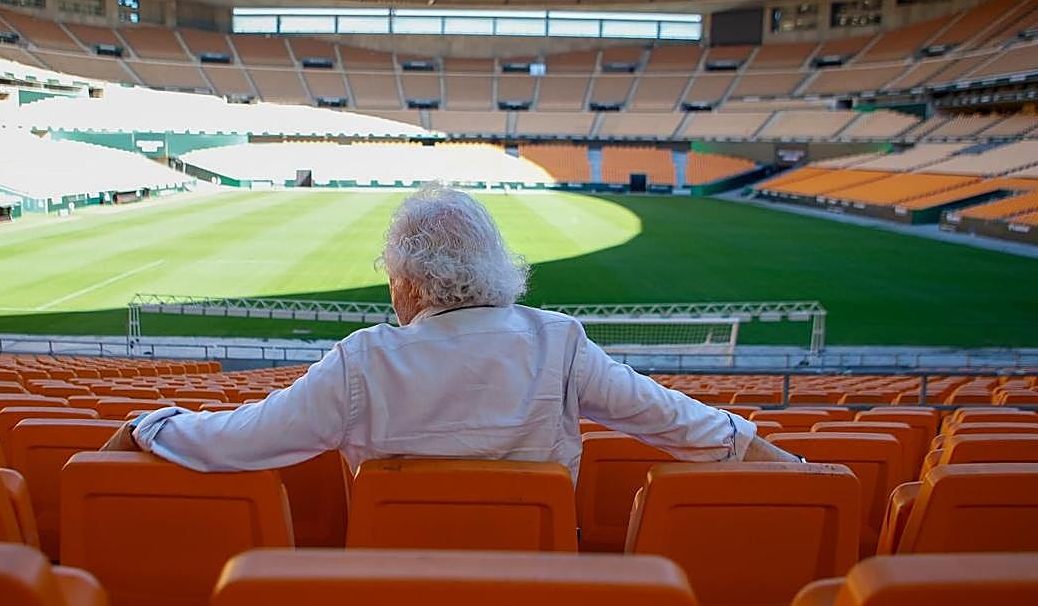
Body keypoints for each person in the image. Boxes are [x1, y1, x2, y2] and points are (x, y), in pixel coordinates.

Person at [103, 184, 801, 477]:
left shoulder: (363, 360)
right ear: (494, 268)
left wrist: (149, 424)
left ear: (408, 281)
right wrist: (799, 468)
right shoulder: (559, 342)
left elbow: (240, 440)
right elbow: (683, 423)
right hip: (538, 595)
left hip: (389, 598)